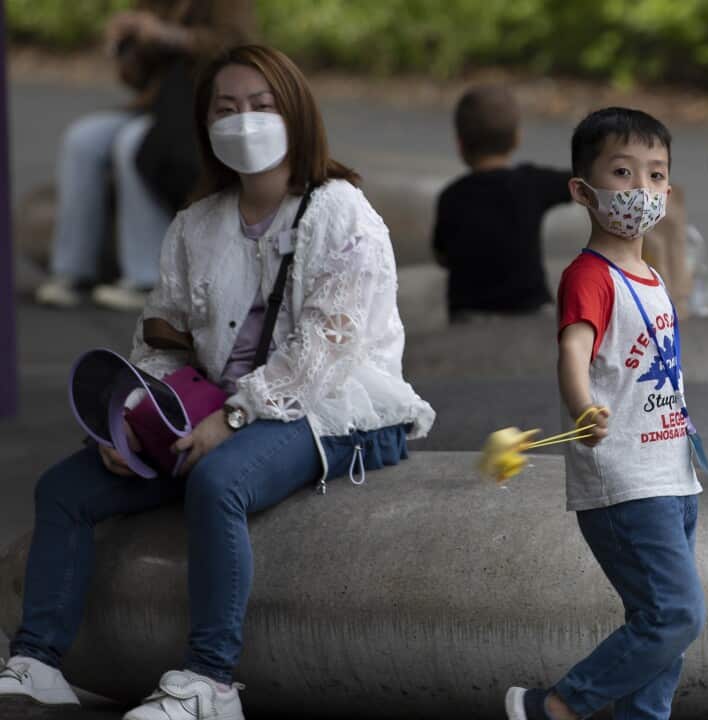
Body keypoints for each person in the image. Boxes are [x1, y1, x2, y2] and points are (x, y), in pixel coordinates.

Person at [0, 45, 435, 720]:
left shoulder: (339, 212)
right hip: (212, 410)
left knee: (218, 480)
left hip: (336, 410)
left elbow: (326, 349)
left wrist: (233, 419)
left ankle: (211, 680)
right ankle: (37, 660)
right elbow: (159, 334)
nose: (244, 120)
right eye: (226, 108)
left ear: (295, 113)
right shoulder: (195, 225)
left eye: (261, 106)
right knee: (65, 488)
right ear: (204, 124)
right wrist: (133, 419)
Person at [505, 108, 704, 720]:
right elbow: (573, 350)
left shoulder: (649, 274)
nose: (641, 190)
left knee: (657, 628)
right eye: (622, 172)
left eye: (655, 175)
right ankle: (556, 706)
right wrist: (582, 405)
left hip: (672, 472)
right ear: (582, 191)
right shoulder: (589, 275)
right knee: (677, 615)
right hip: (624, 480)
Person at [34, 0, 256, 312]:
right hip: (157, 108)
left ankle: (145, 278)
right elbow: (137, 79)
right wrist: (127, 46)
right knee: (82, 139)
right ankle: (72, 269)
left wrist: (170, 36)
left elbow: (236, 47)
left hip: (202, 111)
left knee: (132, 143)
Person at [433, 84, 572, 322]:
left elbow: (441, 255)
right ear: (517, 139)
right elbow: (581, 181)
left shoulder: (451, 196)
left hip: (470, 314)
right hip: (531, 310)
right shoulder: (532, 183)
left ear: (460, 144)